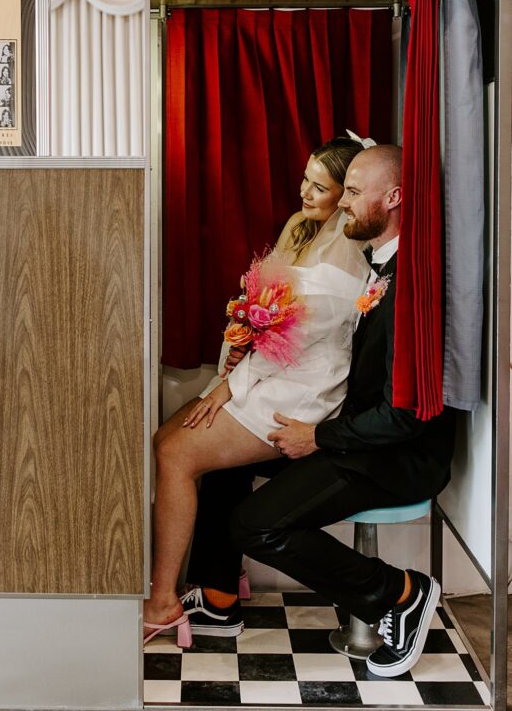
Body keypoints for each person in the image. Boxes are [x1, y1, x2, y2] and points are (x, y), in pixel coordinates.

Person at [185, 145, 455, 679]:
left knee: (256, 528)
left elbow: (406, 416)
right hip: (358, 437)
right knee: (221, 464)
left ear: (395, 197)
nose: (343, 205)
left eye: (354, 193)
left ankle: (399, 594)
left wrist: (321, 436)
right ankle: (218, 598)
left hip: (392, 457)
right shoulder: (380, 267)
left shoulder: (410, 291)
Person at [144, 137, 369, 643]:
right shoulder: (301, 226)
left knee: (177, 455)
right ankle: (220, 586)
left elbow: (302, 332)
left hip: (303, 392)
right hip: (271, 376)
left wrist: (225, 389)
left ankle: (162, 604)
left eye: (321, 186)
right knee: (166, 439)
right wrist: (237, 343)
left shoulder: (347, 249)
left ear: (347, 196)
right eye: (306, 178)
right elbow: (265, 315)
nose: (305, 192)